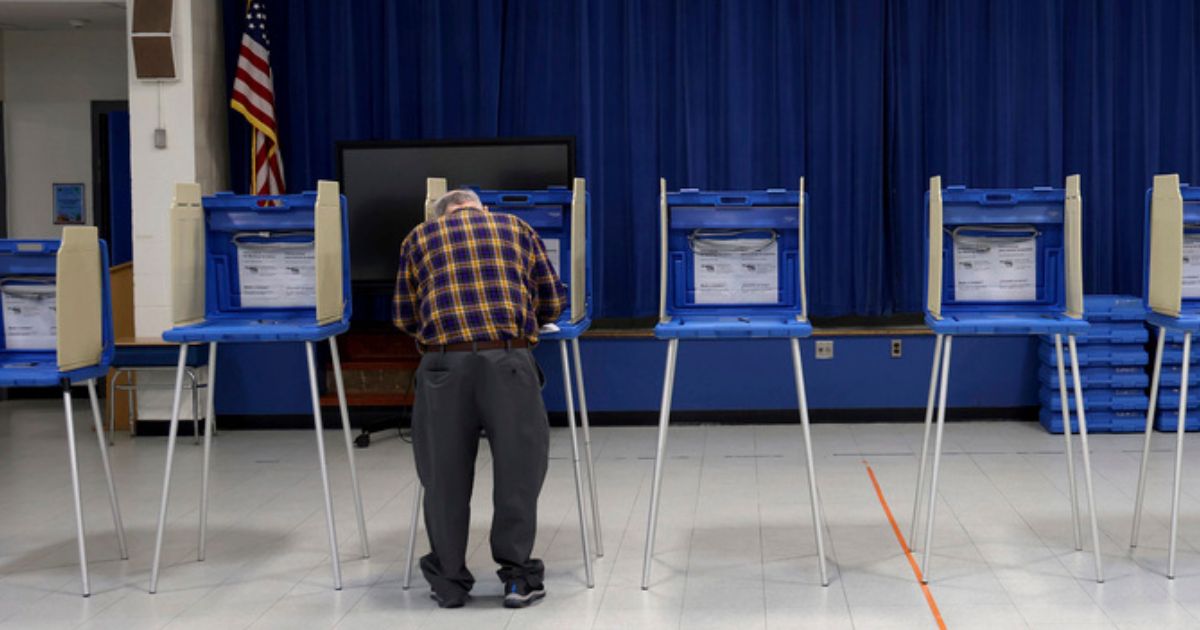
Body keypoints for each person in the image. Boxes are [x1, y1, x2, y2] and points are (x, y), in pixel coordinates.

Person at [393, 188, 565, 609]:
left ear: (441, 213)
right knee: (518, 472)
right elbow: (552, 300)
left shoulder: (418, 237)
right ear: (480, 207)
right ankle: (517, 578)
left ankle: (450, 582)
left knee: (443, 477)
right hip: (507, 359)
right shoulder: (516, 227)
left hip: (441, 367)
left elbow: (403, 315)